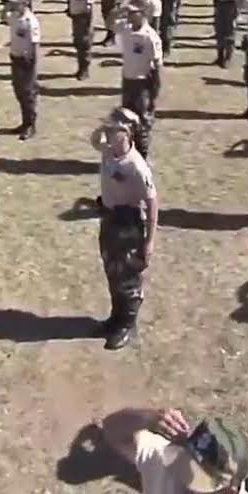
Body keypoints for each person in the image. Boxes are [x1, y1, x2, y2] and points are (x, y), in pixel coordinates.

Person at [89, 107, 159, 351]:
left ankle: (127, 324)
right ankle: (116, 318)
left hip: (128, 226)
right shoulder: (108, 152)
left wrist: (149, 242)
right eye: (107, 129)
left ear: (128, 133)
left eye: (114, 130)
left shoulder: (136, 166)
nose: (107, 133)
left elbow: (152, 202)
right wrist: (106, 126)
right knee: (112, 271)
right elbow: (94, 140)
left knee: (127, 278)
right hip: (109, 221)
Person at [100, 408, 248, 494]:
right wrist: (148, 419)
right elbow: (112, 430)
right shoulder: (169, 463)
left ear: (229, 491)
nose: (186, 480)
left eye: (196, 480)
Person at [115, 2, 163, 158]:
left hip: (142, 83)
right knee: (126, 118)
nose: (129, 15)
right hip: (127, 80)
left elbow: (157, 66)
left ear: (142, 14)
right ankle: (128, 152)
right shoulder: (126, 28)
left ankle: (143, 156)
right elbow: (109, 23)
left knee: (142, 121)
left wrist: (154, 92)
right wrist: (119, 10)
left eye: (133, 12)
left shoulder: (150, 36)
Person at [5, 0, 41, 139]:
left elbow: (35, 46)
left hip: (27, 61)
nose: (13, 5)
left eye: (16, 3)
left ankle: (30, 125)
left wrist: (34, 70)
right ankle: (25, 122)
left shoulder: (30, 22)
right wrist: (7, 8)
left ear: (24, 3)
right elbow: (3, 18)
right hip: (15, 58)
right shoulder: (14, 16)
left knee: (28, 94)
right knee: (19, 91)